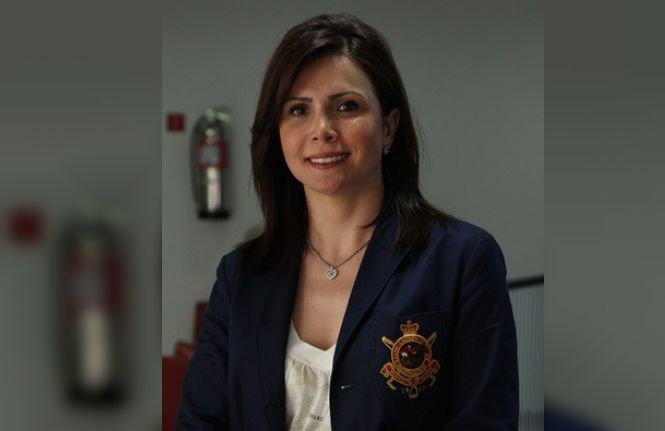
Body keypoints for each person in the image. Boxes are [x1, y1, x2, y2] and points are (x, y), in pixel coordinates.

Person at [177, 13, 518, 431]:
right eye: (298, 110)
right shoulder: (240, 276)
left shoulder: (463, 259)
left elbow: (485, 422)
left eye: (346, 106)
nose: (322, 129)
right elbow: (201, 421)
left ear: (389, 127)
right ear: (277, 134)